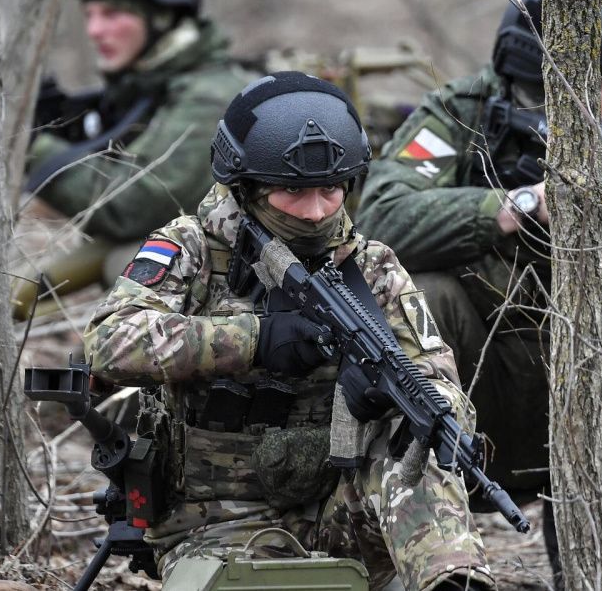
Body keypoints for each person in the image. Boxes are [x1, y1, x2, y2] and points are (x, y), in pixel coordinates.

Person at [83, 72, 495, 591]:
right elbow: (109, 342)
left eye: (330, 190)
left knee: (422, 439)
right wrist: (254, 340)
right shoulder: (191, 250)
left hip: (343, 511)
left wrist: (386, 396)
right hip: (215, 521)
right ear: (248, 187)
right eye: (293, 193)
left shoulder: (373, 268)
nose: (317, 211)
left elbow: (440, 383)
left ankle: (453, 580)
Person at [356, 0, 602, 572]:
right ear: (551, 84)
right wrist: (521, 205)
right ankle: (421, 551)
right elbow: (381, 218)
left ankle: (588, 567)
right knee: (423, 297)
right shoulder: (461, 116)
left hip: (567, 390)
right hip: (468, 385)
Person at [14, 0, 255, 319]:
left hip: (249, 280)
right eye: (89, 13)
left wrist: (32, 149)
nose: (94, 30)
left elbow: (132, 207)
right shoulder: (153, 83)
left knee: (127, 260)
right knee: (23, 290)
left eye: (112, 13)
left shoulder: (208, 95)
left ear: (161, 17)